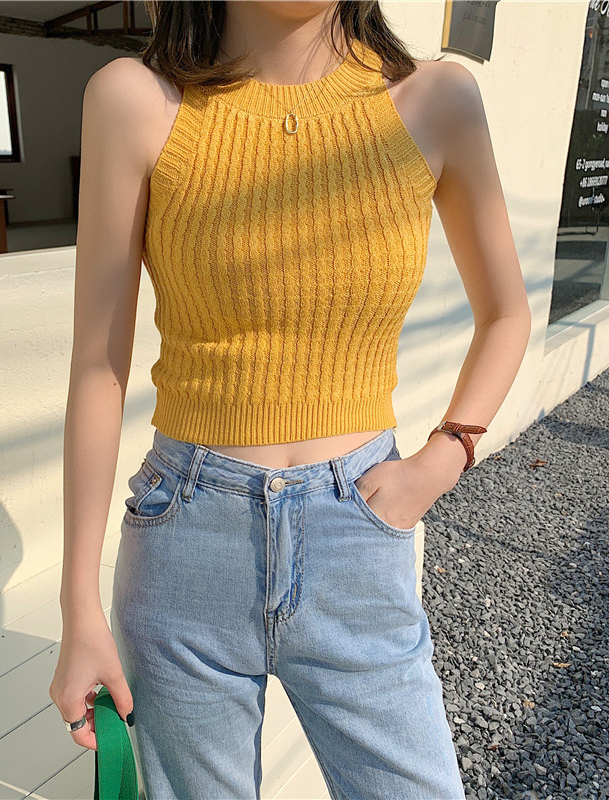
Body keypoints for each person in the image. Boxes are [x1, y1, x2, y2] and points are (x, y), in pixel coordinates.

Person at [49, 1, 531, 797]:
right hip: (186, 540)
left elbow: (507, 314)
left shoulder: (436, 99)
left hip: (359, 531)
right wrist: (78, 610)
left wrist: (441, 461)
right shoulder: (134, 100)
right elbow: (99, 365)